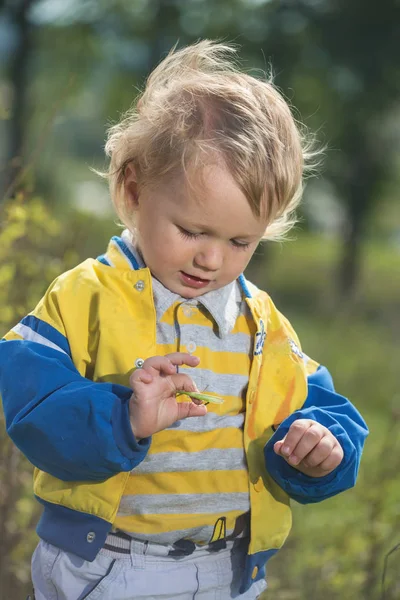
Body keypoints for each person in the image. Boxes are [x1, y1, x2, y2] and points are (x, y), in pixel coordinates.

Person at [0, 40, 368, 600]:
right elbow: (30, 411)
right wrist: (125, 418)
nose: (211, 259)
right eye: (193, 231)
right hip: (110, 566)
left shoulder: (261, 321)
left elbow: (318, 407)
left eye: (240, 241)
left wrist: (321, 448)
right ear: (134, 190)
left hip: (231, 570)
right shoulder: (86, 296)